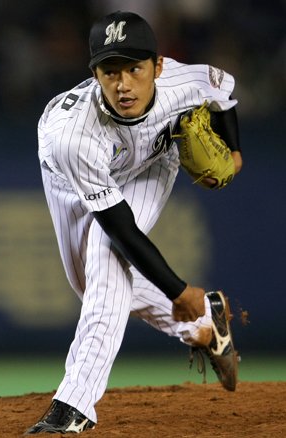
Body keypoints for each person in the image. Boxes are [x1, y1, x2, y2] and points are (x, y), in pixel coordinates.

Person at [25, 10, 243, 435]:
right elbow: (122, 228)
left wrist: (235, 153)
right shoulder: (73, 137)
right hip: (73, 177)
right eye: (110, 72)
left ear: (157, 67)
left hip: (152, 163)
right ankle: (205, 321)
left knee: (106, 261)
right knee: (91, 284)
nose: (123, 84)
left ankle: (73, 405)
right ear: (94, 74)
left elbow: (223, 93)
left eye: (134, 69)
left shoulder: (180, 81)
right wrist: (179, 291)